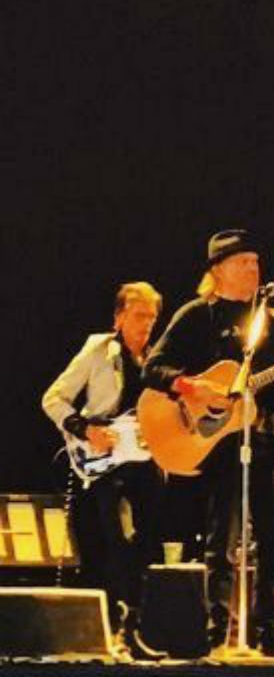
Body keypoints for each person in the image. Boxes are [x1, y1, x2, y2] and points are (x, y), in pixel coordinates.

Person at [142, 230, 274, 660]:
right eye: (244, 263)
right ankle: (218, 633)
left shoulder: (272, 322)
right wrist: (192, 387)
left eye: (256, 262)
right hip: (221, 446)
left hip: (271, 441)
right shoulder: (197, 315)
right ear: (218, 271)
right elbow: (153, 367)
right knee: (223, 544)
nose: (254, 269)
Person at [42, 281, 167, 660]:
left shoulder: (158, 360)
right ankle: (113, 628)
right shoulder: (99, 348)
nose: (147, 324)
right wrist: (85, 429)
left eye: (152, 317)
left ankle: (132, 630)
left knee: (146, 545)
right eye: (139, 315)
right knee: (117, 542)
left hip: (147, 462)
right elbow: (54, 398)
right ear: (119, 318)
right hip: (106, 461)